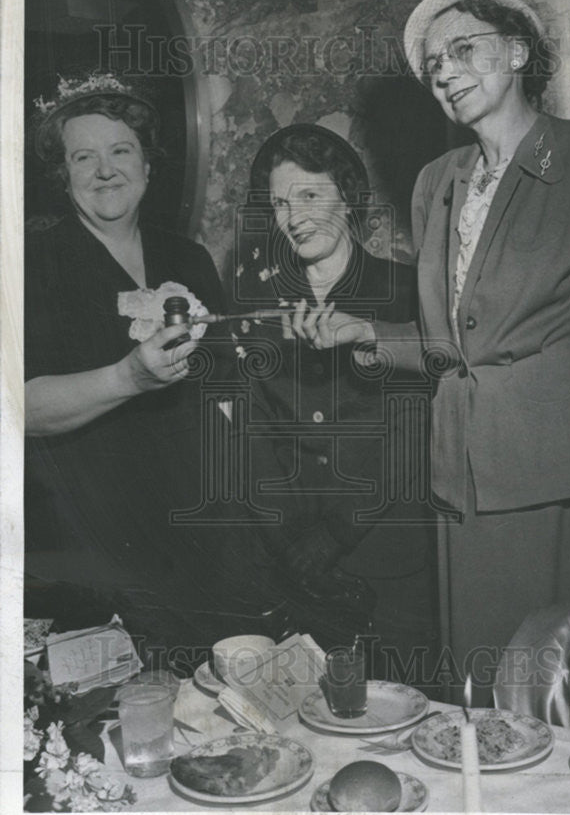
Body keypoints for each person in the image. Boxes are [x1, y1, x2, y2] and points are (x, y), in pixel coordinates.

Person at [289, 0, 570, 704]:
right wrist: (364, 334)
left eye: (464, 50)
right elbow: (446, 342)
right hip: (453, 467)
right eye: (433, 66)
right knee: (471, 679)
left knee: (539, 690)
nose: (446, 73)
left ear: (517, 52)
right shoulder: (439, 181)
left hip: (546, 476)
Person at [220, 124, 440, 686]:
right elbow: (255, 430)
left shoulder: (407, 293)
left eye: (310, 195)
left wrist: (336, 534)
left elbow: (412, 430)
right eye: (279, 203)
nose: (294, 217)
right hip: (295, 568)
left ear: (350, 200)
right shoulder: (260, 311)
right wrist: (290, 540)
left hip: (388, 562)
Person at [25, 73, 233, 666]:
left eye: (120, 151)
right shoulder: (33, 264)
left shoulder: (186, 257)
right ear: (62, 175)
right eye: (83, 157)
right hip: (87, 536)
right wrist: (128, 378)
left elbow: (222, 390)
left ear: (148, 164)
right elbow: (21, 409)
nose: (105, 170)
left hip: (194, 528)